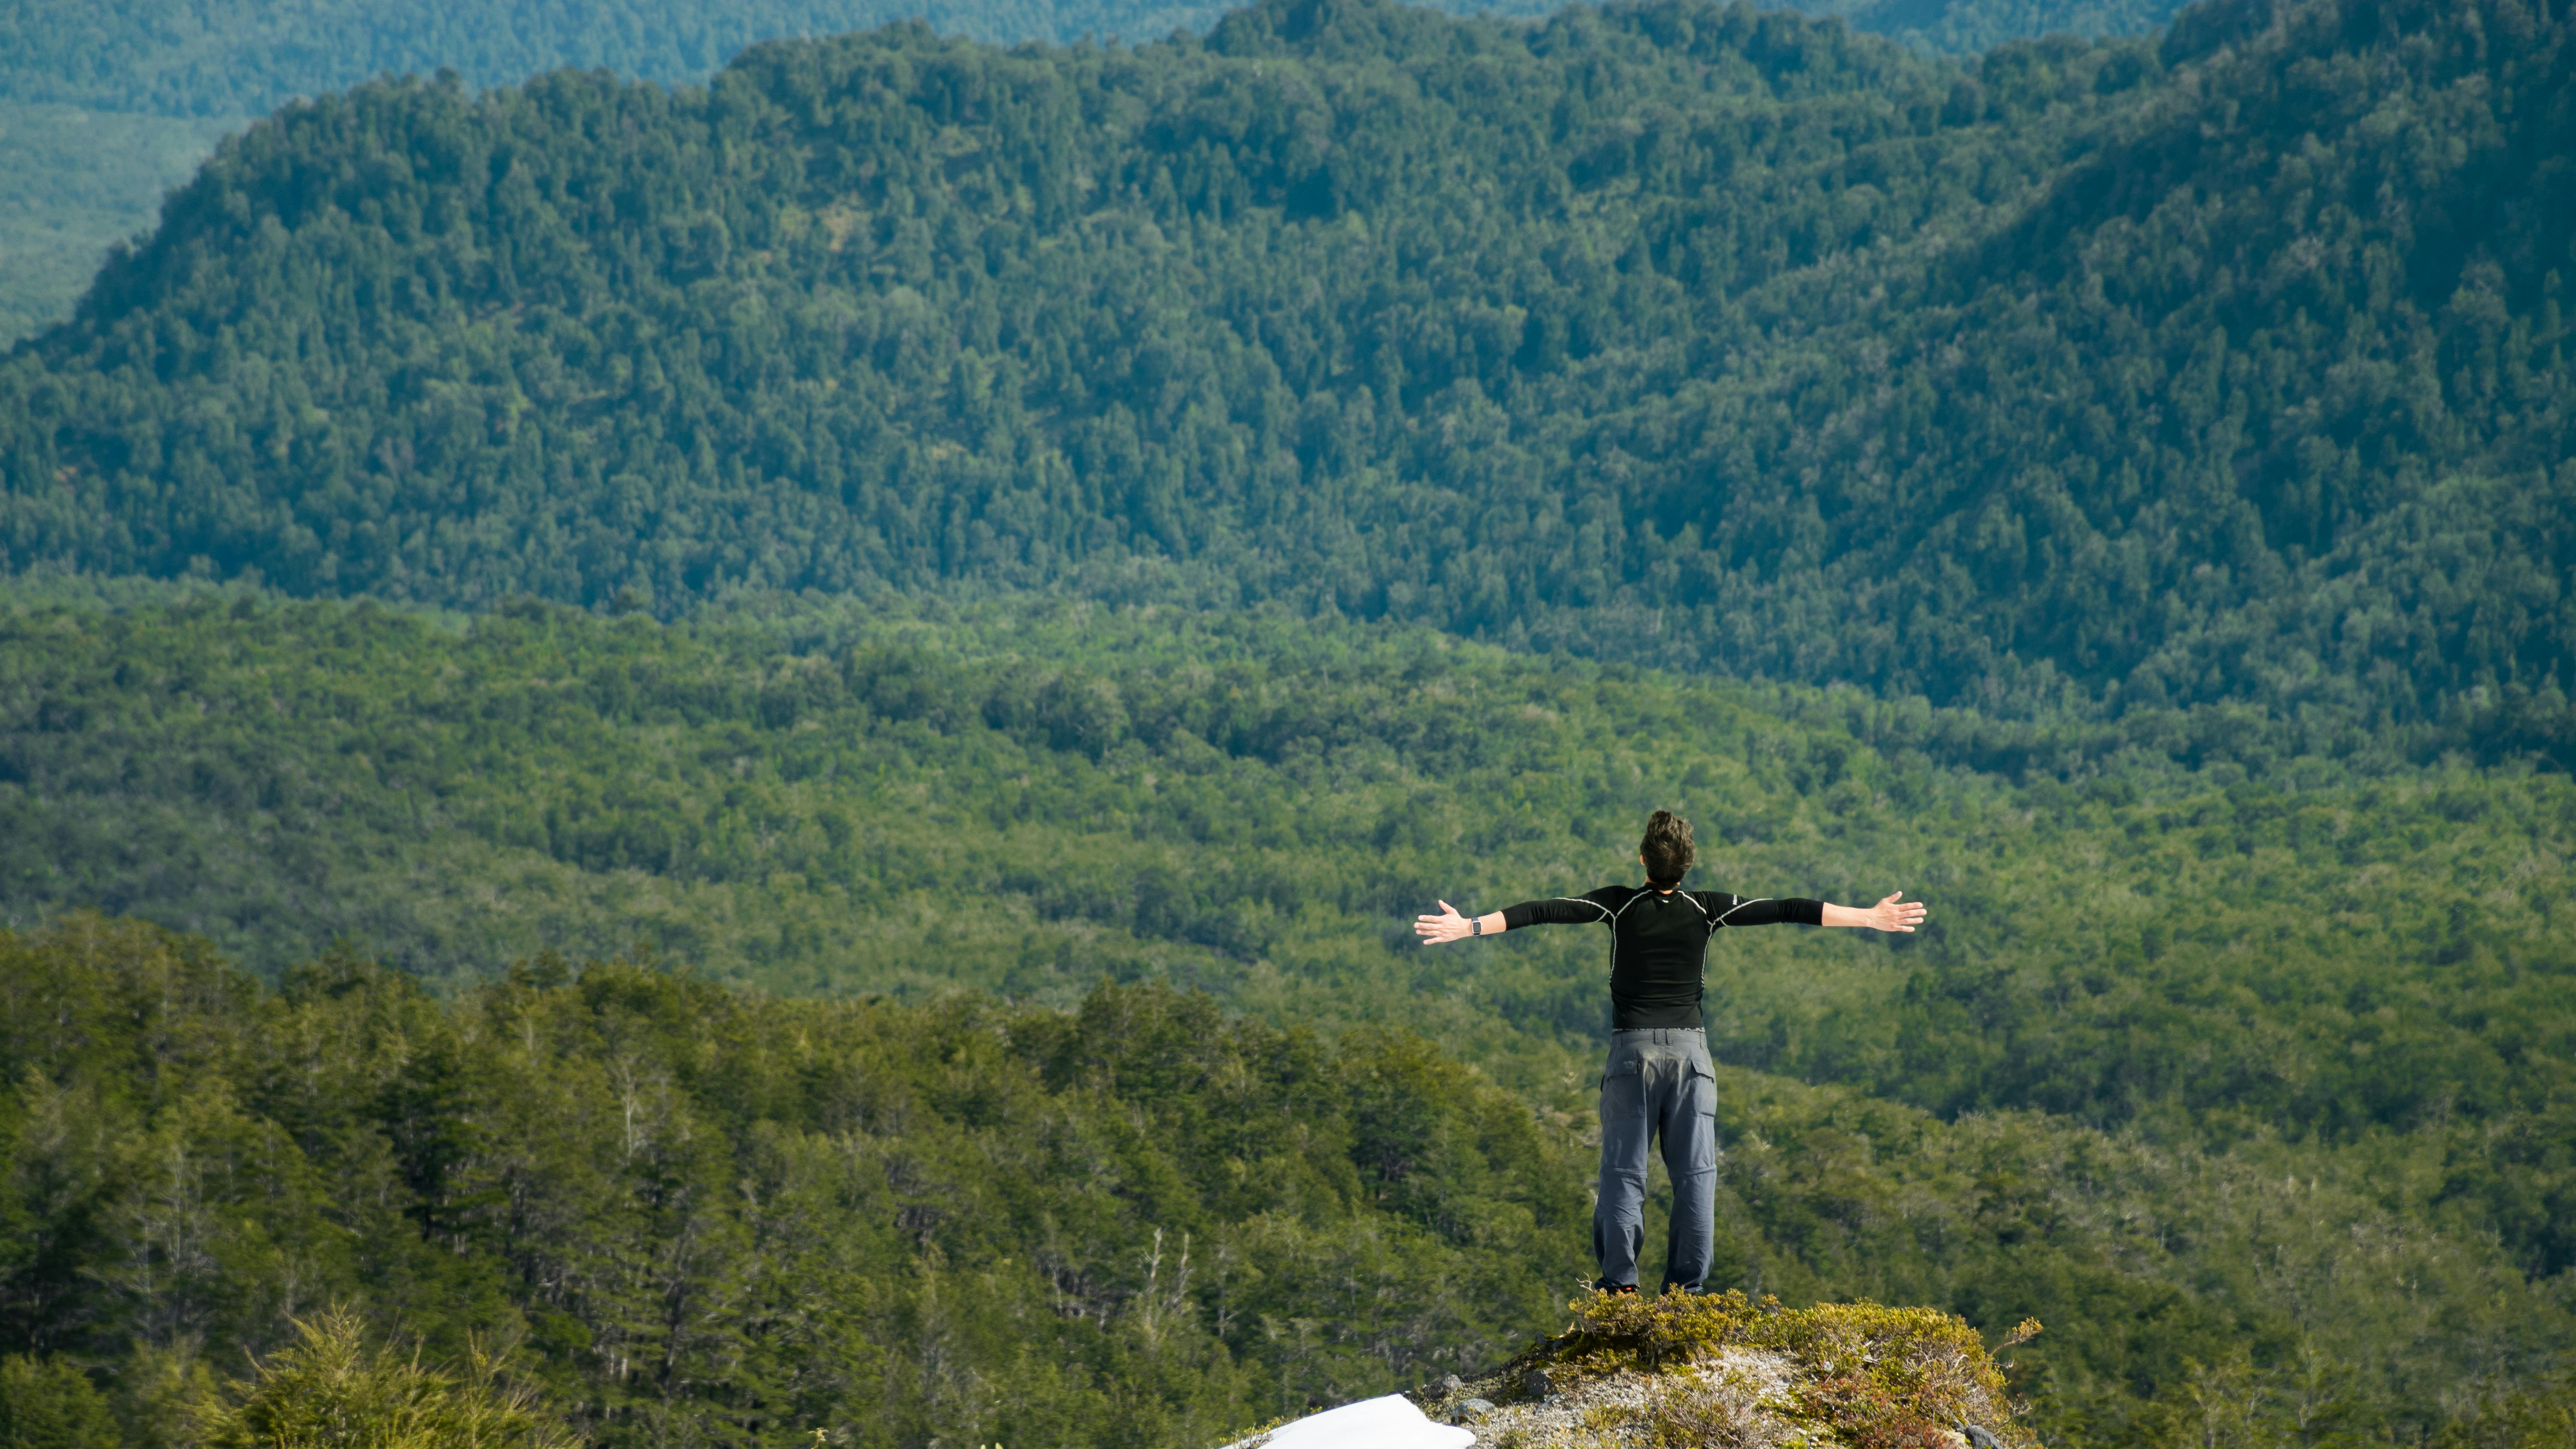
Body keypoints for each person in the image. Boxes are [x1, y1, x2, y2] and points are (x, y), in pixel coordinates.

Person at [1413, 809, 1926, 1297]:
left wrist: (1470, 926)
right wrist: (1870, 917)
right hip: (1690, 1057)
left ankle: (1620, 1284)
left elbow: (1544, 910)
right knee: (1696, 1175)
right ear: (1688, 865)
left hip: (1631, 1054)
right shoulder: (1708, 908)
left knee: (1623, 1172)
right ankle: (1686, 1292)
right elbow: (1790, 909)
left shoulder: (1616, 905)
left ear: (1642, 860)